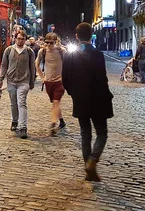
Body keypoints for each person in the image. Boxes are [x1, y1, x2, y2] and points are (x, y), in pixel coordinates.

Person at [62, 22, 113, 181]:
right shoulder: (98, 54)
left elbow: (65, 79)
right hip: (98, 98)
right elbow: (102, 78)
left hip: (81, 99)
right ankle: (93, 159)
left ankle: (87, 167)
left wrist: (74, 93)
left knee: (85, 133)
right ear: (92, 35)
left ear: (76, 36)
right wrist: (106, 95)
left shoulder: (70, 55)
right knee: (102, 133)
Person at [0, 30, 36, 139]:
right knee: (13, 103)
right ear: (15, 39)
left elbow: (32, 68)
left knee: (21, 102)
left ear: (25, 40)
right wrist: (0, 79)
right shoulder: (9, 50)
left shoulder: (29, 52)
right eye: (18, 38)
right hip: (11, 81)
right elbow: (4, 65)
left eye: (22, 39)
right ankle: (15, 121)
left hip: (24, 81)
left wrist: (31, 82)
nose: (20, 41)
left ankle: (23, 127)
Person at [35, 33, 66, 135]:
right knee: (54, 102)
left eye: (51, 43)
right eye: (47, 42)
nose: (48, 45)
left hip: (60, 81)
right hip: (48, 82)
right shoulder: (42, 51)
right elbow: (37, 63)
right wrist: (42, 77)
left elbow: (69, 64)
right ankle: (61, 121)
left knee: (56, 102)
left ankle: (53, 123)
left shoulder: (62, 51)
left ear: (56, 41)